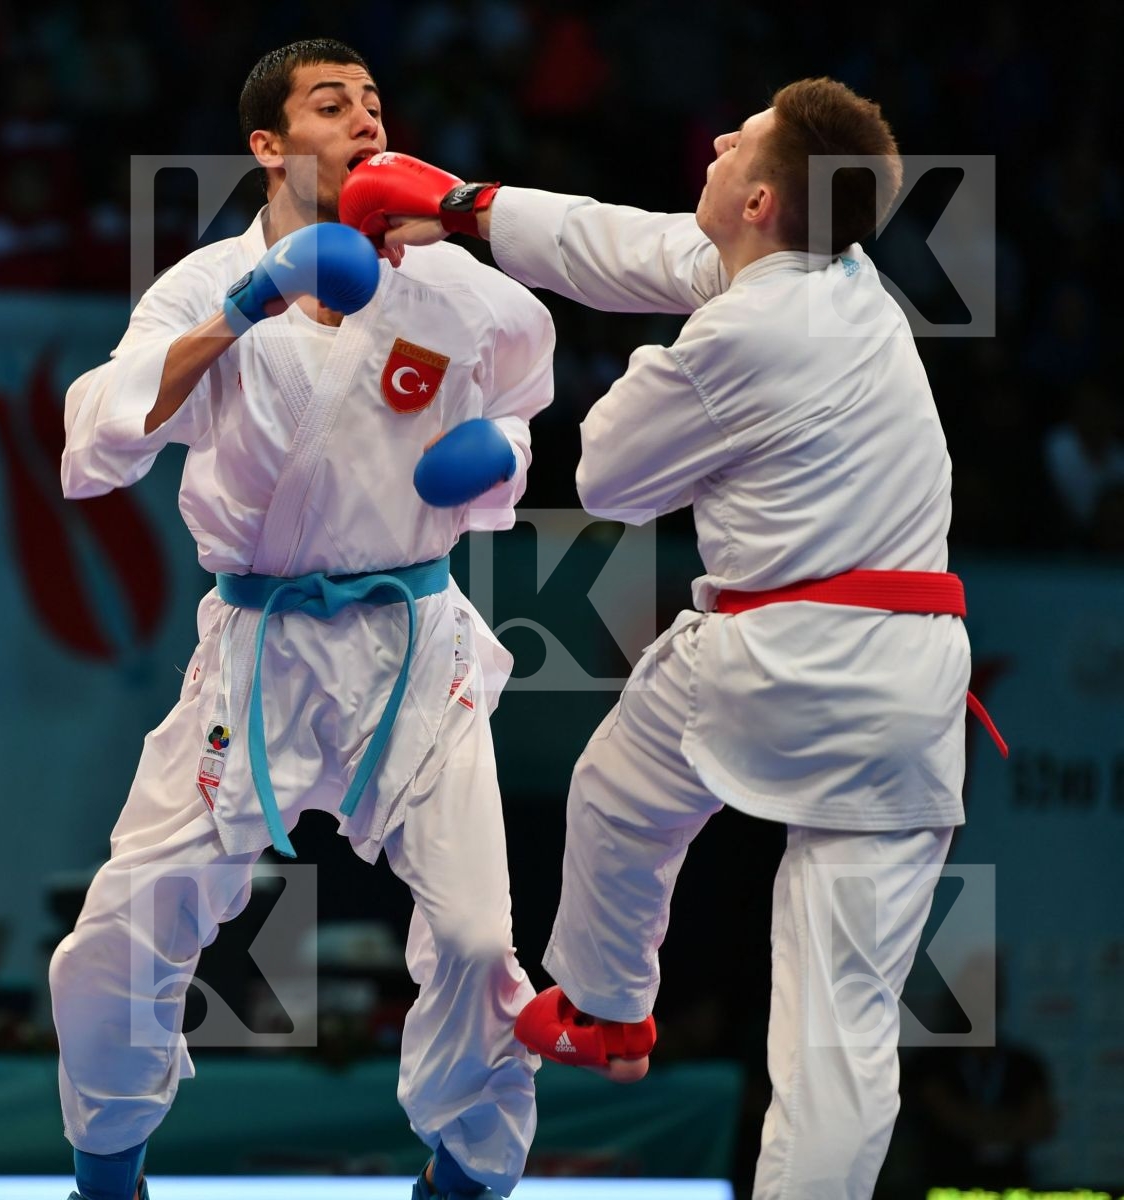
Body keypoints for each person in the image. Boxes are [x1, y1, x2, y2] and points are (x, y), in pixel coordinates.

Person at [350, 78, 1003, 1198]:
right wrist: (469, 207)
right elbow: (626, 245)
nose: (713, 138)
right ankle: (626, 1026)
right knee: (840, 1030)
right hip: (913, 687)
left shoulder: (740, 334)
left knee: (615, 788)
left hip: (782, 654)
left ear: (759, 200)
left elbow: (607, 472)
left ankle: (607, 1008)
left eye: (737, 139)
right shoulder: (846, 278)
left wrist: (635, 378)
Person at [52, 38, 556, 1200]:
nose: (367, 121)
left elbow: (527, 388)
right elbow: (96, 445)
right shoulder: (202, 284)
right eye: (332, 105)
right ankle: (109, 1162)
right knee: (128, 927)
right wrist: (245, 307)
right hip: (259, 647)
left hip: (416, 645)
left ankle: (469, 1174)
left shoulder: (456, 287)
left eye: (377, 102)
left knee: (482, 942)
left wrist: (500, 461)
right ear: (269, 146)